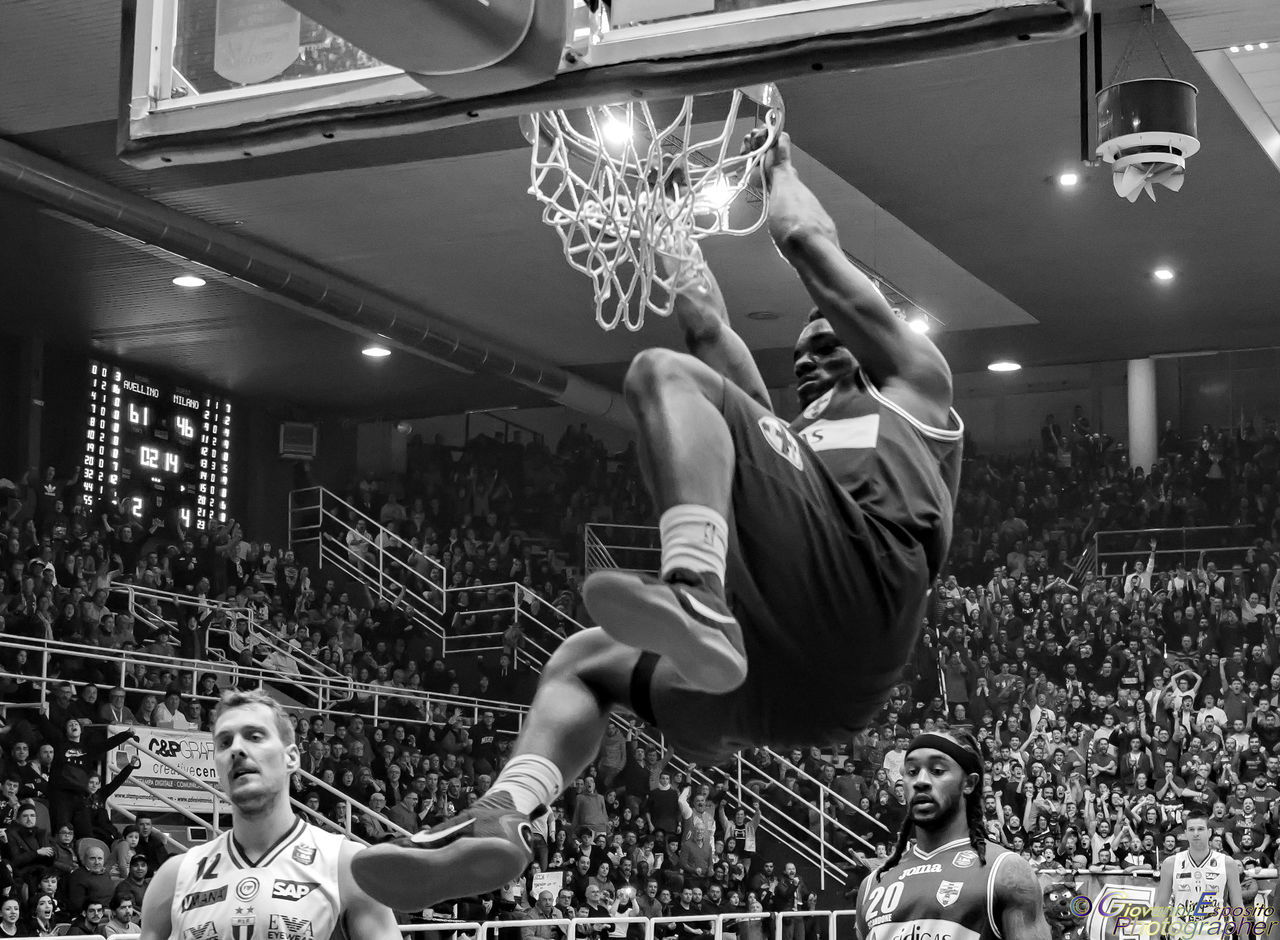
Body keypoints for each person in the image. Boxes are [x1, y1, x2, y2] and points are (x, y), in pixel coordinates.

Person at [352, 128, 962, 911]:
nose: (805, 357)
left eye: (826, 341)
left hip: (862, 602)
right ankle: (502, 818)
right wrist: (664, 211)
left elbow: (805, 235)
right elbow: (708, 325)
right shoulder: (787, 440)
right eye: (800, 350)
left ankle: (695, 594)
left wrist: (775, 161)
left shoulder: (914, 389)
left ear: (874, 341)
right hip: (776, 689)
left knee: (661, 374)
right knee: (582, 659)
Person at [137, 689, 397, 940]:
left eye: (255, 736)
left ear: (291, 758)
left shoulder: (346, 867)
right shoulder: (174, 878)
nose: (236, 750)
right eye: (225, 742)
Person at [855, 730, 1049, 939]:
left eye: (937, 770)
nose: (920, 781)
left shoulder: (1006, 872)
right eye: (911, 771)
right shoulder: (873, 884)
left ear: (969, 783)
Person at [1151, 810, 1245, 938]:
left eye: (1200, 829)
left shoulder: (1227, 863)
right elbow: (1161, 905)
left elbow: (1238, 906)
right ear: (1186, 834)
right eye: (1191, 829)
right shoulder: (1171, 863)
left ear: (1209, 832)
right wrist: (1153, 937)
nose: (1195, 834)